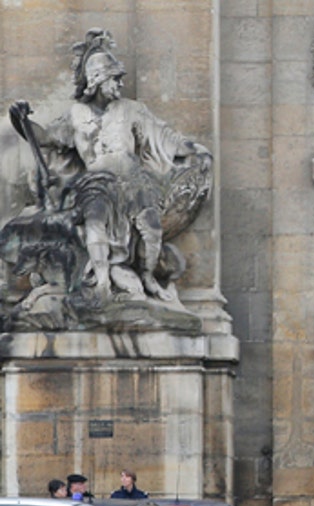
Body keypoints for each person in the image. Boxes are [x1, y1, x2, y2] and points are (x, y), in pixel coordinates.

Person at [9, 28, 212, 303]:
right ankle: (102, 283)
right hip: (96, 182)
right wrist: (21, 121)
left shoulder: (132, 109)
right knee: (95, 221)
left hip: (134, 180)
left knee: (152, 230)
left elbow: (165, 138)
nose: (119, 84)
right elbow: (45, 139)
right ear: (98, 80)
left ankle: (148, 275)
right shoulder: (75, 115)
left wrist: (195, 151)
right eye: (115, 79)